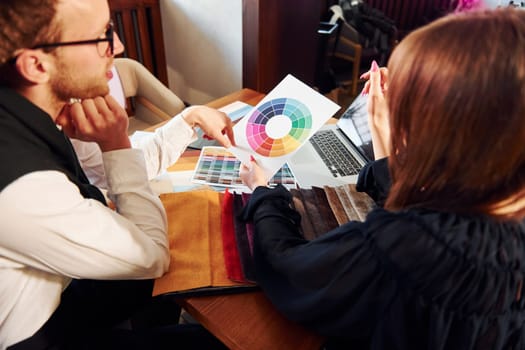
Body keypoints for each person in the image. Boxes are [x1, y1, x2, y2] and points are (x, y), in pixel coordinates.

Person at [239, 7, 525, 349]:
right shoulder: (500, 206)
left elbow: (291, 273)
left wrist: (263, 193)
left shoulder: (407, 246)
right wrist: (386, 145)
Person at [0, 1, 232, 349]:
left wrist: (189, 118)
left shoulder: (37, 107)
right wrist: (116, 145)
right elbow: (152, 255)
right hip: (39, 332)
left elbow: (115, 172)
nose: (119, 48)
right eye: (103, 36)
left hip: (61, 279)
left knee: (194, 252)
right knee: (221, 339)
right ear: (36, 65)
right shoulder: (22, 189)